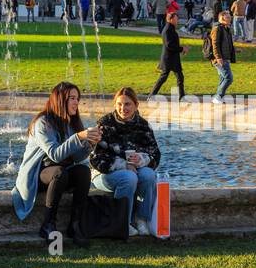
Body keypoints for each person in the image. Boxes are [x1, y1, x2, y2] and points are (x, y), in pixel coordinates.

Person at [11, 81, 99, 246]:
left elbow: (75, 158)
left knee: (83, 171)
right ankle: (48, 224)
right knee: (60, 172)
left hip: (60, 174)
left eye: (77, 98)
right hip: (38, 175)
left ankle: (75, 225)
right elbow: (55, 154)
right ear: (61, 99)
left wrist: (90, 144)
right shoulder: (43, 122)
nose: (76, 102)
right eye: (72, 98)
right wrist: (79, 137)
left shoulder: (71, 123)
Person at [89, 86, 161, 235]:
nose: (123, 108)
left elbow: (155, 154)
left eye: (127, 104)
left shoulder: (143, 125)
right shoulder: (105, 124)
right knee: (129, 177)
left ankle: (141, 219)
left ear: (136, 105)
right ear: (115, 105)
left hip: (135, 171)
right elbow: (96, 159)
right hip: (104, 174)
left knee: (148, 175)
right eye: (119, 104)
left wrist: (142, 159)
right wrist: (123, 165)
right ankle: (122, 222)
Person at [148, 9, 187, 99]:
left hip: (172, 58)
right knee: (164, 77)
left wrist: (182, 48)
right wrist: (182, 48)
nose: (178, 21)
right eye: (176, 19)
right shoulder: (167, 30)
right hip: (169, 59)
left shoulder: (170, 29)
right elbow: (169, 45)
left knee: (179, 77)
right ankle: (151, 95)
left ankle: (181, 96)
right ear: (171, 19)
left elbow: (172, 44)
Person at [211, 9, 235, 103]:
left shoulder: (226, 28)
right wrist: (218, 57)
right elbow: (215, 44)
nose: (230, 18)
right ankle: (218, 97)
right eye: (227, 16)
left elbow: (226, 43)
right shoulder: (217, 28)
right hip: (220, 58)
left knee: (223, 78)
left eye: (230, 16)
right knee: (229, 78)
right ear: (222, 18)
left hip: (225, 57)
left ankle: (218, 97)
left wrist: (234, 50)